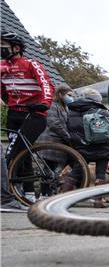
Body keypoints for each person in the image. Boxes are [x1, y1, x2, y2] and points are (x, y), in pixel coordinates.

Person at [1, 31, 54, 211]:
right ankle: (25, 194)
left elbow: (47, 84)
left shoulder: (31, 63)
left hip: (34, 114)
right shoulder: (1, 66)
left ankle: (18, 195)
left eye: (3, 45)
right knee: (19, 155)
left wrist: (44, 103)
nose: (0, 49)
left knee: (12, 154)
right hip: (13, 114)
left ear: (16, 48)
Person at [64, 88, 109, 203]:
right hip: (102, 147)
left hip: (81, 147)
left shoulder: (72, 112)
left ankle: (63, 199)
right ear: (96, 100)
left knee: (76, 172)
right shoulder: (103, 112)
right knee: (100, 174)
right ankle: (98, 201)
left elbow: (69, 130)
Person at [36, 83, 74, 177]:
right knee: (48, 172)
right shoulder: (52, 105)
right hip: (51, 142)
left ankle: (50, 189)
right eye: (69, 95)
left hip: (58, 144)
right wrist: (68, 137)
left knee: (52, 172)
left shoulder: (64, 108)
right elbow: (54, 124)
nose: (71, 98)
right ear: (60, 94)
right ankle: (46, 191)